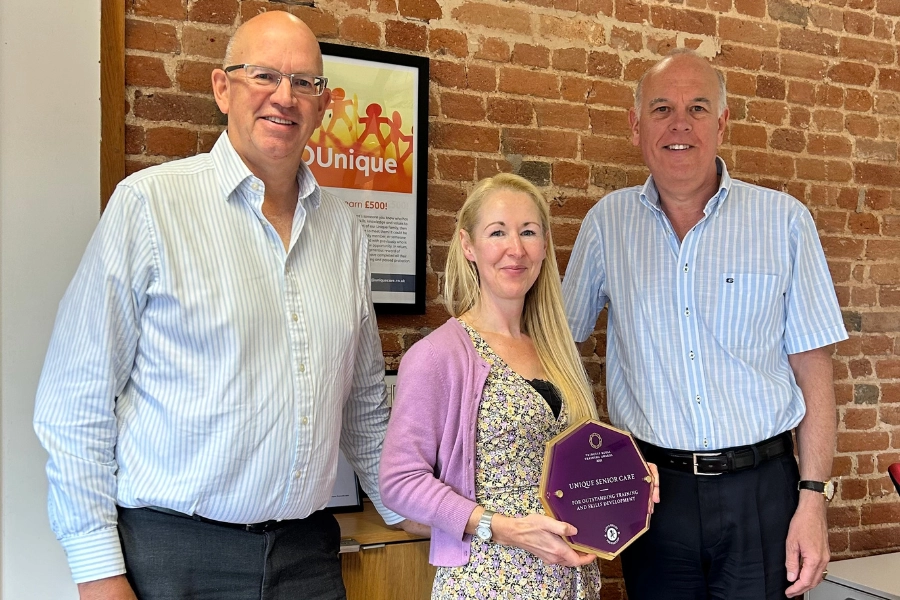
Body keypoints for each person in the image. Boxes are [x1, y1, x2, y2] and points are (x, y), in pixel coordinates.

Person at [33, 11, 414, 600]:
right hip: (172, 555)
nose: (284, 98)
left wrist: (410, 510)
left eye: (305, 84)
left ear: (324, 104)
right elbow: (75, 400)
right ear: (222, 88)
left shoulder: (345, 233)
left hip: (307, 556)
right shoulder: (150, 207)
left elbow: (363, 402)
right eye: (263, 75)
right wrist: (99, 574)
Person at [562, 48, 847, 600]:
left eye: (697, 108)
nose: (679, 124)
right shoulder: (606, 225)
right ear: (635, 123)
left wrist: (812, 499)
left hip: (763, 493)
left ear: (722, 122)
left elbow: (815, 370)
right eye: (662, 108)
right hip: (650, 494)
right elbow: (558, 350)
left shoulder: (784, 221)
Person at [380, 174, 658, 599]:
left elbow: (580, 459)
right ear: (468, 246)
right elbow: (399, 482)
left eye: (528, 232)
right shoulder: (439, 355)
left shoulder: (556, 348)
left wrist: (630, 477)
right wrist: (502, 528)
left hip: (571, 581)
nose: (516, 248)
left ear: (544, 246)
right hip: (490, 581)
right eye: (498, 232)